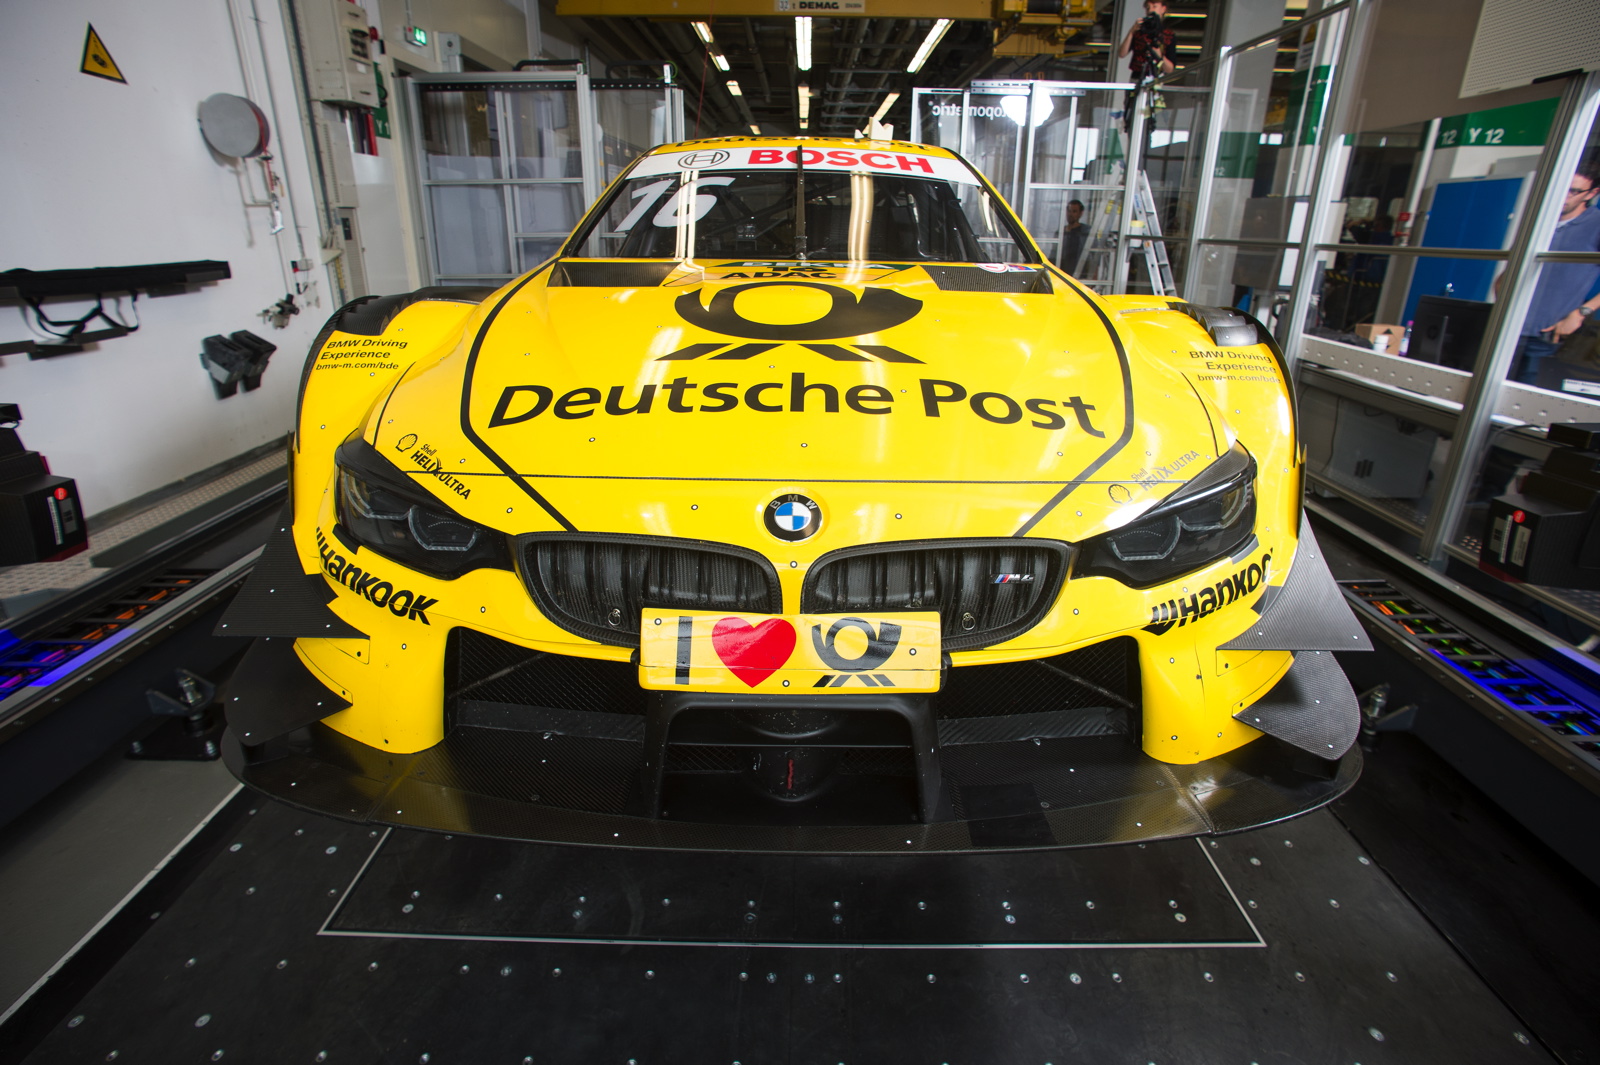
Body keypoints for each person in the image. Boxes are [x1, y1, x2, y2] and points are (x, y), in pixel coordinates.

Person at [1511, 156, 1600, 386]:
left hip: (1548, 336)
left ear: (1591, 193)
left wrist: (1581, 313)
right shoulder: (1539, 220)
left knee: (1526, 400)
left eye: (1573, 191)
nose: (1564, 196)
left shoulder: (1596, 224)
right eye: (1562, 188)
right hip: (1509, 328)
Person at [1119, 0, 1176, 82]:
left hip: (1156, 77)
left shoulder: (1168, 35)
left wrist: (1159, 56)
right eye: (1148, 8)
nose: (1150, 10)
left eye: (1154, 7)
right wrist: (1131, 32)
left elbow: (1170, 69)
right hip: (1137, 76)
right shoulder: (1139, 31)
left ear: (1163, 9)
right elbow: (1122, 53)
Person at [1061, 198, 1088, 275]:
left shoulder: (1085, 232)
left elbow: (1092, 255)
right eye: (1069, 211)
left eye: (1074, 211)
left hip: (1080, 273)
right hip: (1062, 272)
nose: (1071, 214)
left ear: (1080, 213)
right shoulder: (1061, 232)